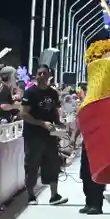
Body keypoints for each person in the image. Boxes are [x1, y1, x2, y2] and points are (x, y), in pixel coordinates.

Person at [21, 66, 66, 205]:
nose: (41, 75)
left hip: (50, 134)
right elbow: (23, 114)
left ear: (49, 75)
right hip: (33, 135)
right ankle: (31, 196)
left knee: (53, 164)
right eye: (39, 73)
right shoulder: (30, 93)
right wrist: (41, 123)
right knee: (32, 165)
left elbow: (54, 112)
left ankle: (54, 195)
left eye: (44, 73)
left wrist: (59, 127)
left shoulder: (53, 93)